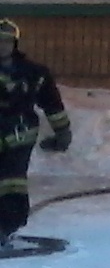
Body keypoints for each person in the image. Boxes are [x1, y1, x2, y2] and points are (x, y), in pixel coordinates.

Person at [0, 19, 73, 250]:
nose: (2, 45)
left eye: (6, 41)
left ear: (14, 43)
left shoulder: (34, 73)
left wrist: (63, 133)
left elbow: (52, 104)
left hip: (18, 136)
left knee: (11, 183)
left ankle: (5, 228)